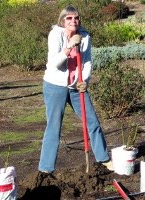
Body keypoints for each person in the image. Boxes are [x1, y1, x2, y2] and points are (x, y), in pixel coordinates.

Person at [36, 5, 113, 184]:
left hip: (77, 86)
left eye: (76, 18)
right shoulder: (55, 35)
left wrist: (84, 80)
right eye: (69, 18)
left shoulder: (85, 37)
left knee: (92, 121)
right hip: (55, 86)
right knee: (54, 127)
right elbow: (54, 63)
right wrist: (69, 47)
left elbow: (86, 62)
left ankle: (103, 159)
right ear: (62, 21)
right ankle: (46, 169)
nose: (73, 21)